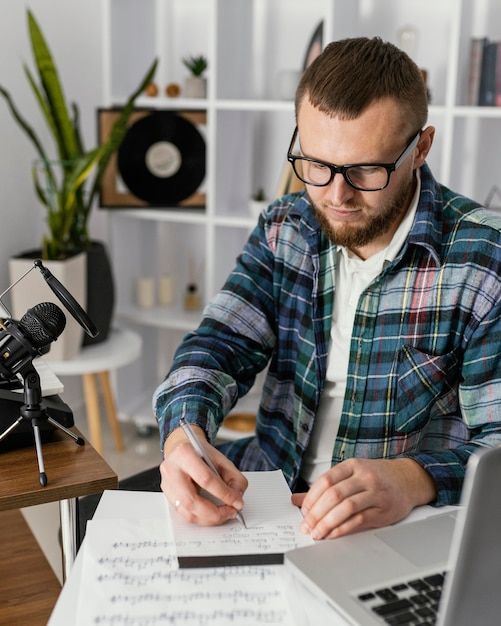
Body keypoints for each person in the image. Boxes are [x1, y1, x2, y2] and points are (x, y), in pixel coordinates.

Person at [153, 36, 501, 540]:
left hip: (399, 527)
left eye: (366, 170)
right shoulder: (285, 227)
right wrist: (182, 439)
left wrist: (412, 478)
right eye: (316, 164)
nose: (335, 196)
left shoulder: (484, 259)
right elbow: (217, 346)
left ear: (420, 147)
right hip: (265, 499)